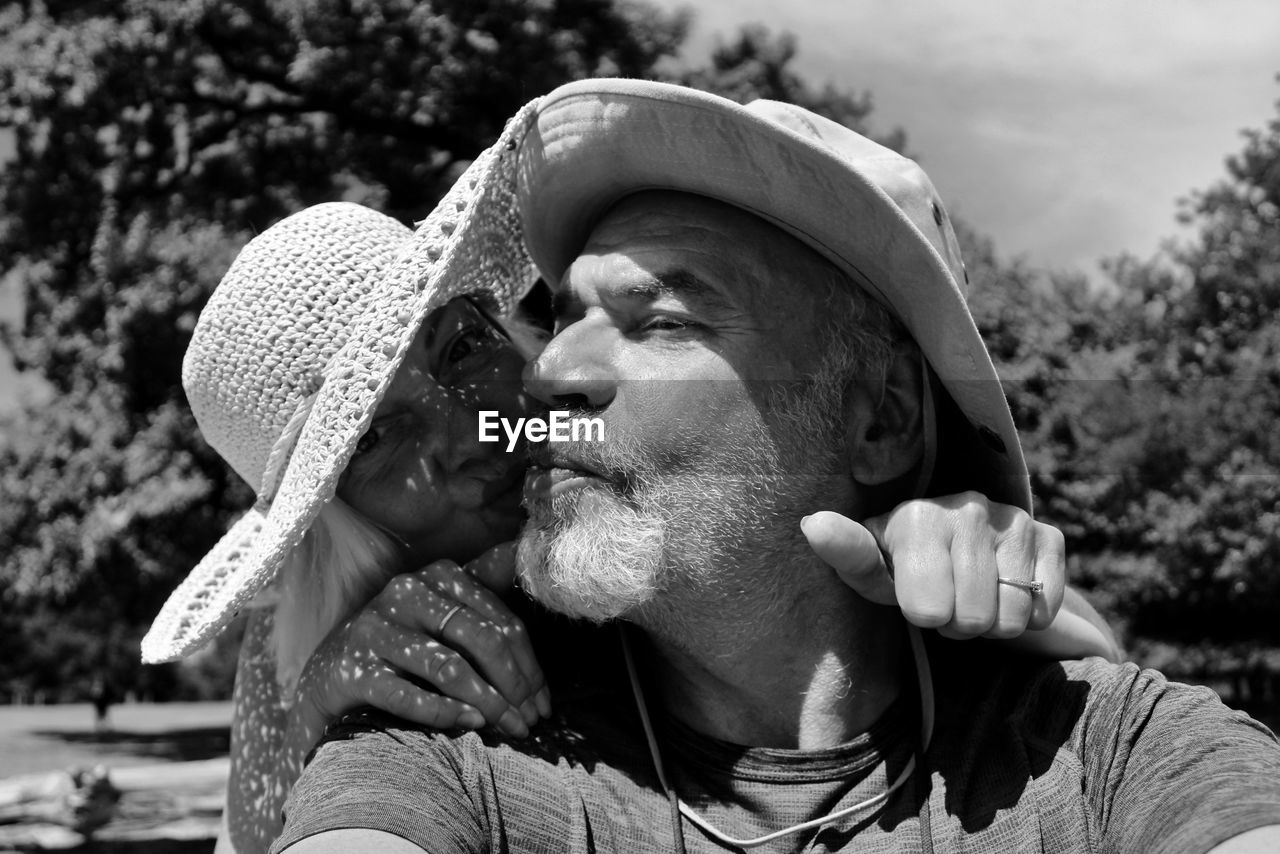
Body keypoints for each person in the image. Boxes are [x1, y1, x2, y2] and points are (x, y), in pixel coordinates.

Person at [270, 80, 1280, 854]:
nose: (538, 380)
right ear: (338, 518)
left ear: (877, 417)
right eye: (371, 441)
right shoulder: (434, 727)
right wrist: (320, 693)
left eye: (658, 317)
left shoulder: (1108, 752)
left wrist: (1000, 578)